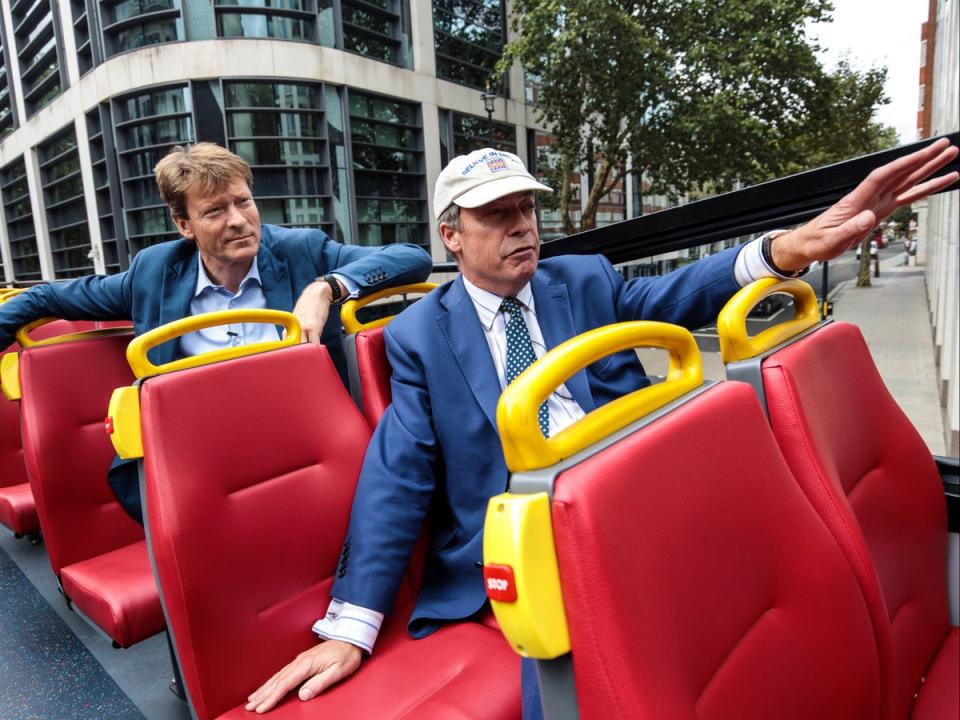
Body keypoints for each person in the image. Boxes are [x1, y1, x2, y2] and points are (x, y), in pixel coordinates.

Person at [246, 138, 959, 717]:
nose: (521, 224)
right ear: (451, 237)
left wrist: (785, 251)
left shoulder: (581, 281)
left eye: (526, 207)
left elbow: (674, 295)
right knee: (582, 664)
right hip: (535, 540)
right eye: (497, 214)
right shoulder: (419, 337)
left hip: (636, 502)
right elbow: (397, 475)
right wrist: (352, 624)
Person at [0, 143, 433, 523]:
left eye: (243, 202)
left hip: (305, 444)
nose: (238, 221)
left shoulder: (301, 251)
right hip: (199, 458)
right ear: (184, 225)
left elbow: (411, 257)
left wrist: (326, 287)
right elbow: (44, 300)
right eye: (214, 211)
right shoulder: (154, 273)